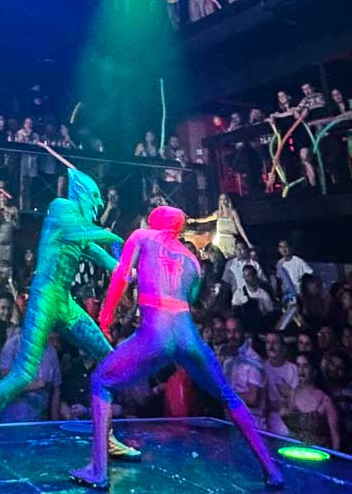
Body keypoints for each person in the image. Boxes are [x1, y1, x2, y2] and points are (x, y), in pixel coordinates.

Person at [69, 205, 283, 490]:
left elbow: (121, 275)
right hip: (187, 335)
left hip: (155, 333)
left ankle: (98, 470)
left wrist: (106, 316)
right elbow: (191, 296)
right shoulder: (193, 260)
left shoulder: (142, 236)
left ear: (157, 221)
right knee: (228, 396)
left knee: (101, 381)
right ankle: (271, 470)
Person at [0, 163, 137, 466]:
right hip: (44, 296)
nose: (96, 207)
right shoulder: (61, 208)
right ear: (84, 194)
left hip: (65, 302)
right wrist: (119, 239)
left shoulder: (81, 228)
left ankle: (106, 437)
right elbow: (92, 235)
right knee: (23, 373)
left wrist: (132, 268)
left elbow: (106, 259)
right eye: (95, 201)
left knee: (109, 361)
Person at [281, 352, 340, 450]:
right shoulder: (293, 394)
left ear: (314, 370)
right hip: (293, 449)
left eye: (305, 366)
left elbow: (335, 437)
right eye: (298, 366)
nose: (301, 370)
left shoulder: (325, 400)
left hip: (317, 453)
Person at [189, 193, 251, 259]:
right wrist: (194, 220)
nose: (223, 201)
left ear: (228, 200)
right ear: (219, 201)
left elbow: (240, 227)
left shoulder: (233, 212)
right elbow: (206, 219)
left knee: (231, 258)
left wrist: (248, 242)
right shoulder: (218, 213)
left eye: (225, 199)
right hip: (220, 241)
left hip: (230, 240)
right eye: (221, 199)